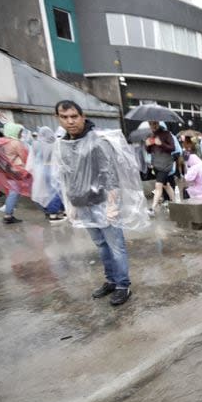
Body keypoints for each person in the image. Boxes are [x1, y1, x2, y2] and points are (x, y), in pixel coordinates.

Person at [53, 100, 149, 306]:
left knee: (116, 246)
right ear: (58, 119)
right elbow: (65, 176)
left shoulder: (97, 141)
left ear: (82, 116)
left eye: (74, 116)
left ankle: (123, 285)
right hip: (81, 204)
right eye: (64, 117)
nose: (70, 121)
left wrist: (112, 205)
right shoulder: (63, 144)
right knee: (101, 245)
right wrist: (70, 206)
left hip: (102, 203)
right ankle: (111, 280)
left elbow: (110, 174)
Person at [0, 122, 32, 224]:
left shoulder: (0, 142)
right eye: (19, 132)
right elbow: (24, 156)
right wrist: (29, 168)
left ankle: (8, 214)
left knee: (14, 191)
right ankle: (8, 215)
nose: (20, 134)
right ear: (14, 132)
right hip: (18, 170)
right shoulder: (15, 143)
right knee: (20, 191)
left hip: (7, 170)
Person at [27, 126, 65, 222]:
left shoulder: (35, 144)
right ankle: (53, 213)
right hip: (52, 169)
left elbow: (31, 159)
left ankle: (50, 210)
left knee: (47, 192)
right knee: (56, 191)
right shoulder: (54, 144)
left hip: (39, 170)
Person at [145, 120, 176, 216]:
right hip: (156, 164)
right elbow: (150, 151)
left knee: (158, 186)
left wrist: (161, 143)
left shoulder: (166, 134)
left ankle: (152, 209)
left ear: (158, 123)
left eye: (154, 123)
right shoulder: (150, 135)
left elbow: (172, 148)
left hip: (165, 164)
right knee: (166, 185)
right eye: (150, 124)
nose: (153, 126)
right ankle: (175, 203)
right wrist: (147, 146)